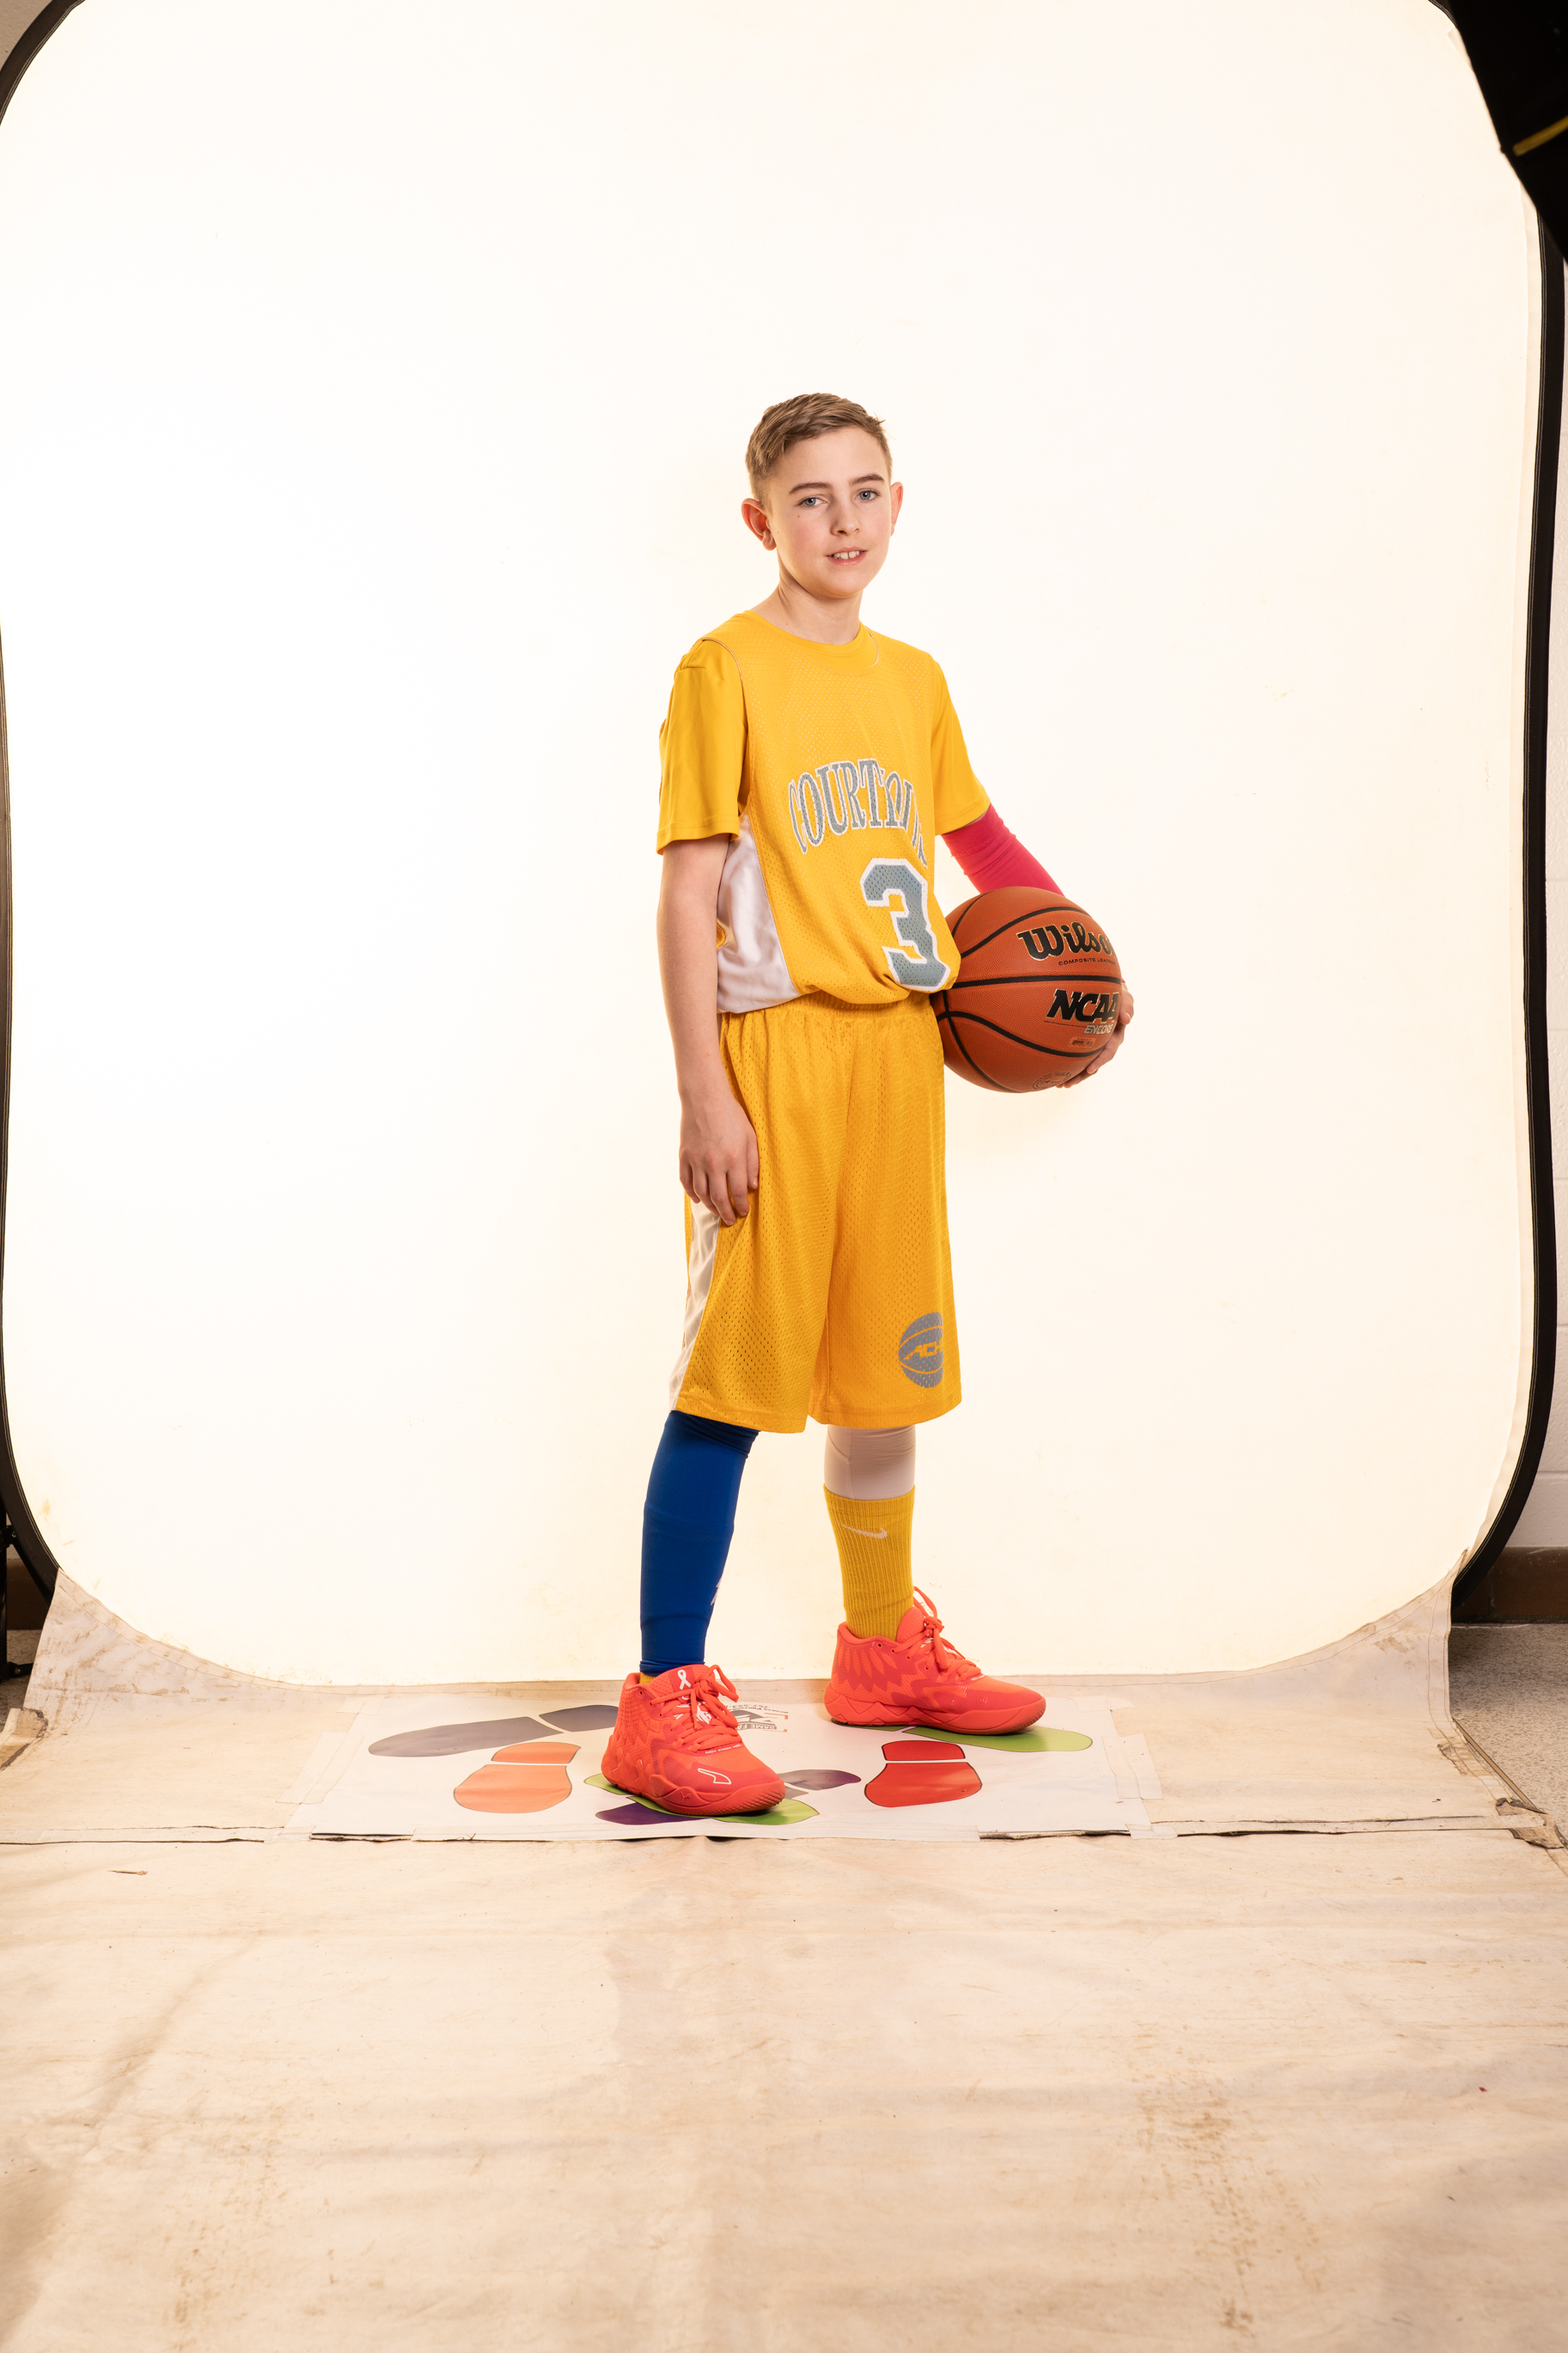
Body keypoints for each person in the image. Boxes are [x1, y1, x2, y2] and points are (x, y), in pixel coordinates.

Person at [601, 393, 1132, 1816]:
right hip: (775, 1057)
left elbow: (978, 839)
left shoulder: (913, 678)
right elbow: (686, 893)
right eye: (810, 497)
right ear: (758, 520)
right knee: (730, 1381)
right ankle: (662, 1698)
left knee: (884, 1373)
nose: (841, 520)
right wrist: (703, 1093)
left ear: (898, 503)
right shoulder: (724, 668)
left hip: (900, 1052)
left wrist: (1083, 967)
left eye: (865, 491)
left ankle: (882, 1646)